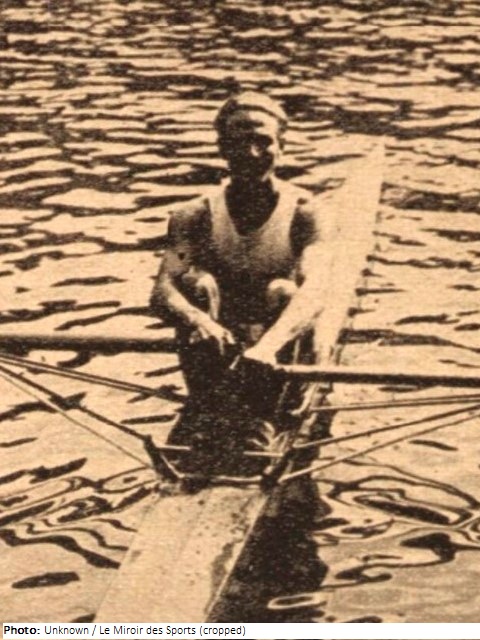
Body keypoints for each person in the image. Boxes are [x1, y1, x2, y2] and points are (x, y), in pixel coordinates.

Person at [150, 91, 335, 406]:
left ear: (281, 147)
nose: (251, 153)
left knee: (284, 291)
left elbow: (315, 290)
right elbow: (163, 289)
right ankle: (210, 401)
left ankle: (276, 405)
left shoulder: (306, 214)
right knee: (195, 285)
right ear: (222, 148)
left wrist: (267, 347)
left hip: (280, 346)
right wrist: (199, 320)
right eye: (238, 143)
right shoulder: (193, 215)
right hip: (222, 341)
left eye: (263, 141)